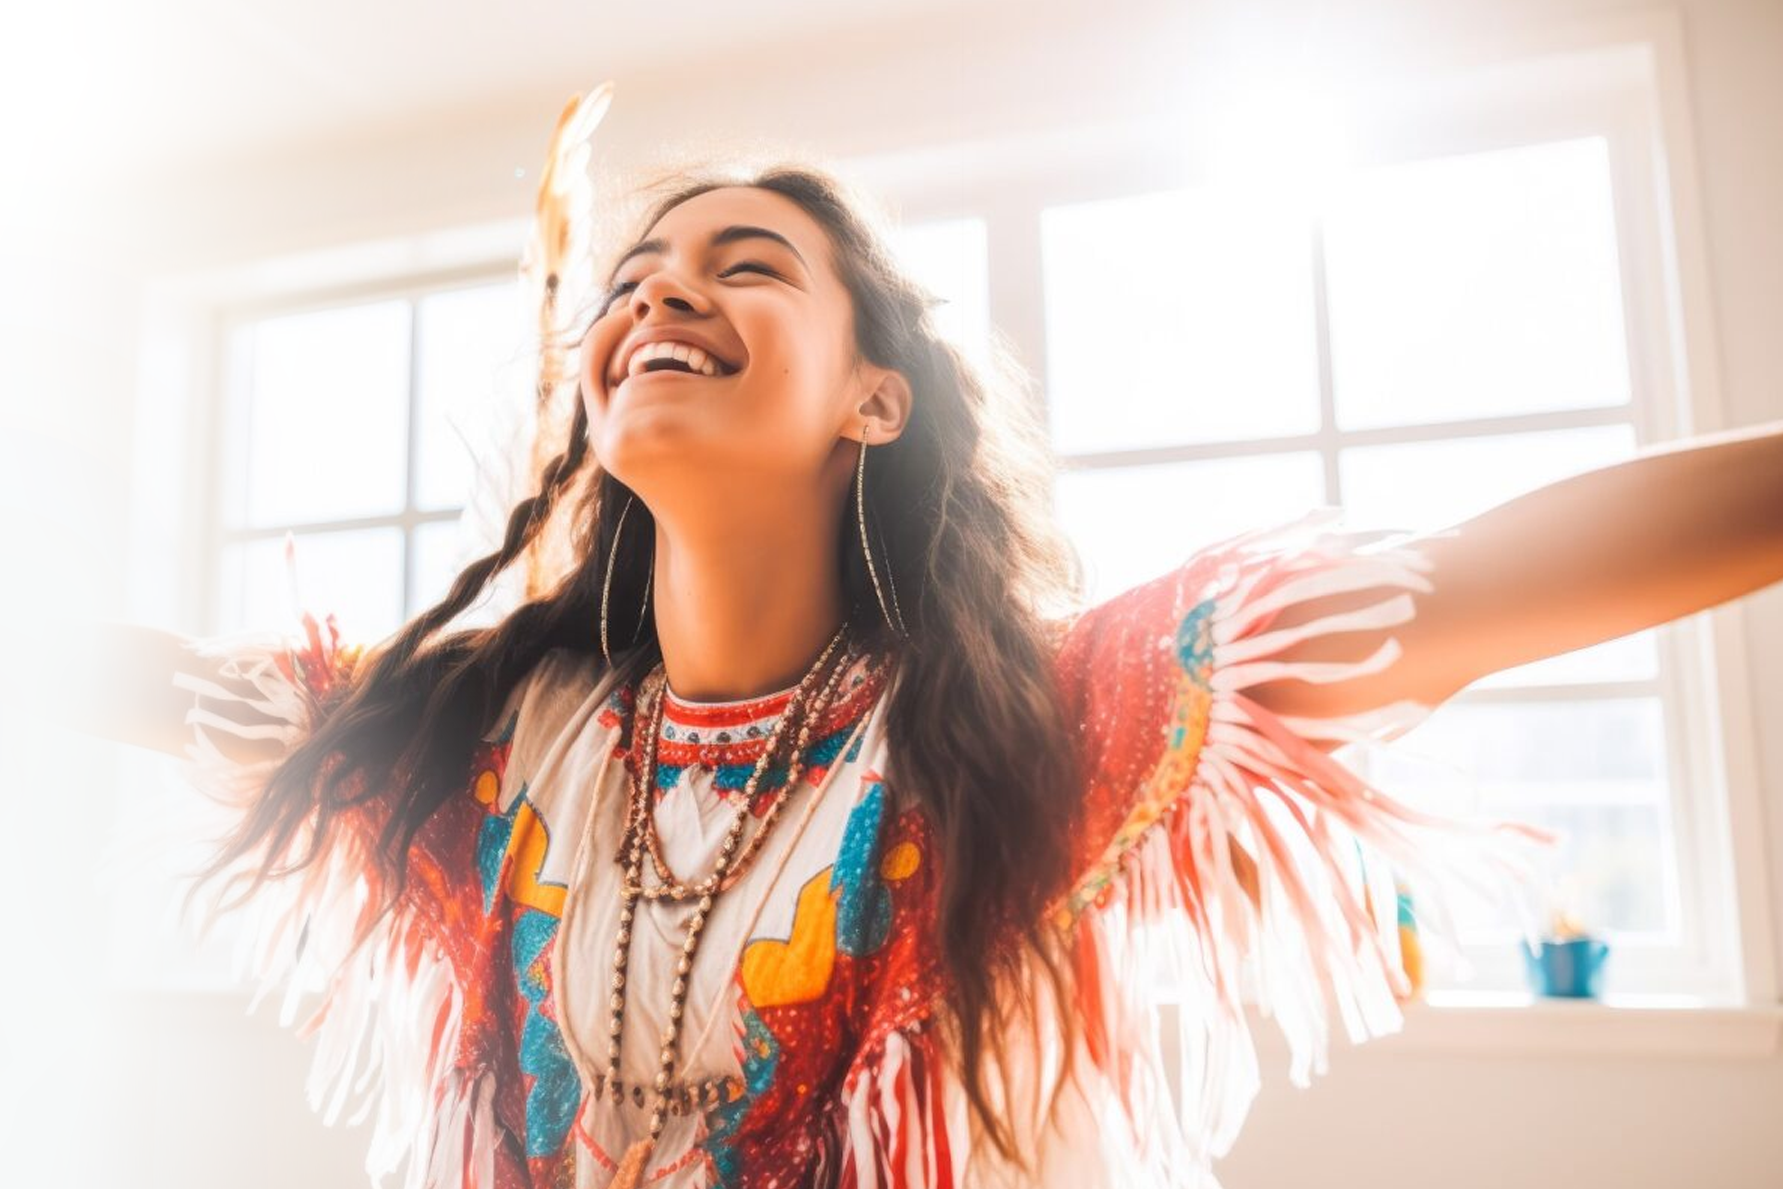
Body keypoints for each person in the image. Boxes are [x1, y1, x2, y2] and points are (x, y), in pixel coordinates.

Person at [57, 138, 1783, 1188]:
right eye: (631, 282)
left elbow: (1472, 579)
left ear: (872, 398)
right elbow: (135, 677)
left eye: (744, 266)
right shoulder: (481, 738)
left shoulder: (1037, 721)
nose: (657, 297)